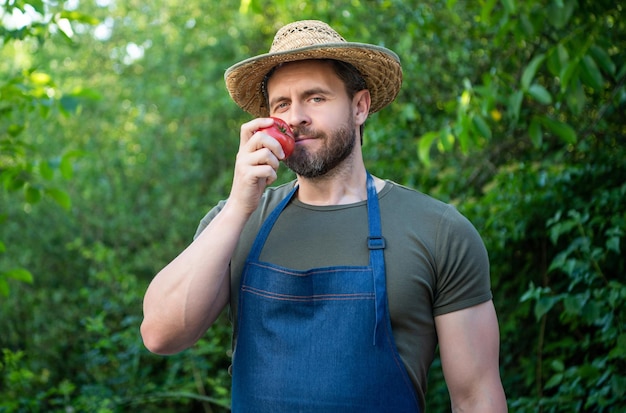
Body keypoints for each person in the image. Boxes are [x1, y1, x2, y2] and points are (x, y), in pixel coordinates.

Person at [141, 20, 507, 412]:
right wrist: (238, 205)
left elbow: (476, 397)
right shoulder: (236, 221)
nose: (295, 116)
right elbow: (161, 335)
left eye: (315, 98)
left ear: (360, 106)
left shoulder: (439, 231)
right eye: (282, 103)